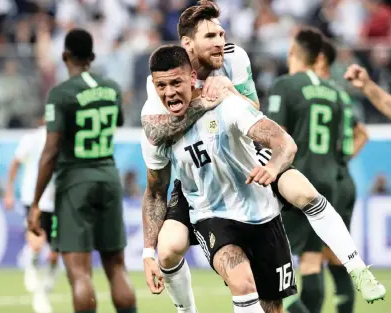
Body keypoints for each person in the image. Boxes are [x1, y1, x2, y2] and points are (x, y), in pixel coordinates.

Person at [140, 2, 384, 312]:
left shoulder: (234, 58)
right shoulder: (164, 76)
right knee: (170, 247)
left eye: (221, 33)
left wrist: (228, 94)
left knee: (302, 191)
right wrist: (203, 101)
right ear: (188, 44)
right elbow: (155, 129)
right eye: (210, 36)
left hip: (244, 153)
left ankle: (358, 268)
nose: (219, 42)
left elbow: (253, 111)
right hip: (199, 175)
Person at [142, 44, 298, 313]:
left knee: (272, 307)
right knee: (242, 282)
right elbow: (156, 192)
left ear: (192, 78)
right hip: (211, 215)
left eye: (176, 83)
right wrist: (147, 253)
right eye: (161, 86)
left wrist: (273, 168)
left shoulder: (228, 106)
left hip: (262, 214)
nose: (169, 93)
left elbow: (284, 142)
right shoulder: (159, 132)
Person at [267, 27, 386, 313]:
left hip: (298, 180)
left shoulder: (285, 85)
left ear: (292, 53)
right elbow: (353, 135)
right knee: (330, 253)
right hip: (332, 176)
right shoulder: (336, 93)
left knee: (303, 261)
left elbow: (276, 137)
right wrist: (340, 160)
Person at [27, 28, 136, 313]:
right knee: (116, 267)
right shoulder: (111, 88)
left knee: (79, 272)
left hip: (75, 182)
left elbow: (50, 151)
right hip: (109, 177)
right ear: (92, 56)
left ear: (65, 56)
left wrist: (36, 202)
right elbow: (117, 122)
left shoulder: (60, 94)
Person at [315, 37, 369, 313]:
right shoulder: (342, 96)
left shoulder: (316, 93)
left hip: (325, 177)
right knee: (332, 251)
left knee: (319, 253)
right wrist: (344, 159)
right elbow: (363, 133)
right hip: (341, 175)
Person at [4, 115, 59, 313]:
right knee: (36, 242)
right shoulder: (32, 139)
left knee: (55, 252)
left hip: (58, 201)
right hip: (33, 199)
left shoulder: (67, 139)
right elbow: (15, 163)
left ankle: (50, 274)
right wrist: (9, 191)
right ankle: (34, 277)